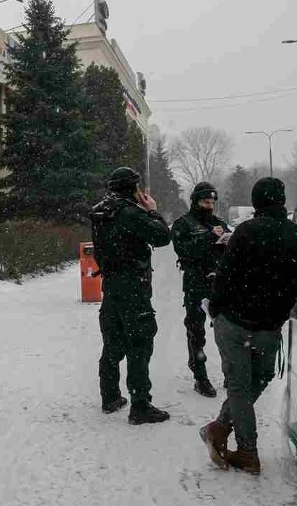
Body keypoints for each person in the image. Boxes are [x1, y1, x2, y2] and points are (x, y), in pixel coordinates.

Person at [200, 177, 297, 474]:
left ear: (257, 201)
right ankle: (221, 429)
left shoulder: (246, 232)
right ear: (282, 200)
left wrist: (217, 309)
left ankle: (246, 450)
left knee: (239, 388)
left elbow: (225, 275)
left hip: (236, 323)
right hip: (269, 327)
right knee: (255, 383)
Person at [90, 167, 172, 425]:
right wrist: (153, 211)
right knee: (139, 342)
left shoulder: (101, 210)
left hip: (111, 284)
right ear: (133, 188)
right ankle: (140, 405)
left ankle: (110, 396)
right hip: (133, 287)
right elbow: (162, 236)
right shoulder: (130, 212)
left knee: (113, 341)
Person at [170, 182, 229, 398]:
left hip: (219, 283)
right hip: (196, 284)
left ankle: (229, 373)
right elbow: (184, 251)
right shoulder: (183, 224)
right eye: (206, 202)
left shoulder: (220, 223)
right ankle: (200, 375)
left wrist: (229, 240)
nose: (210, 206)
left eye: (213, 202)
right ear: (195, 202)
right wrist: (208, 238)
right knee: (196, 331)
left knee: (225, 331)